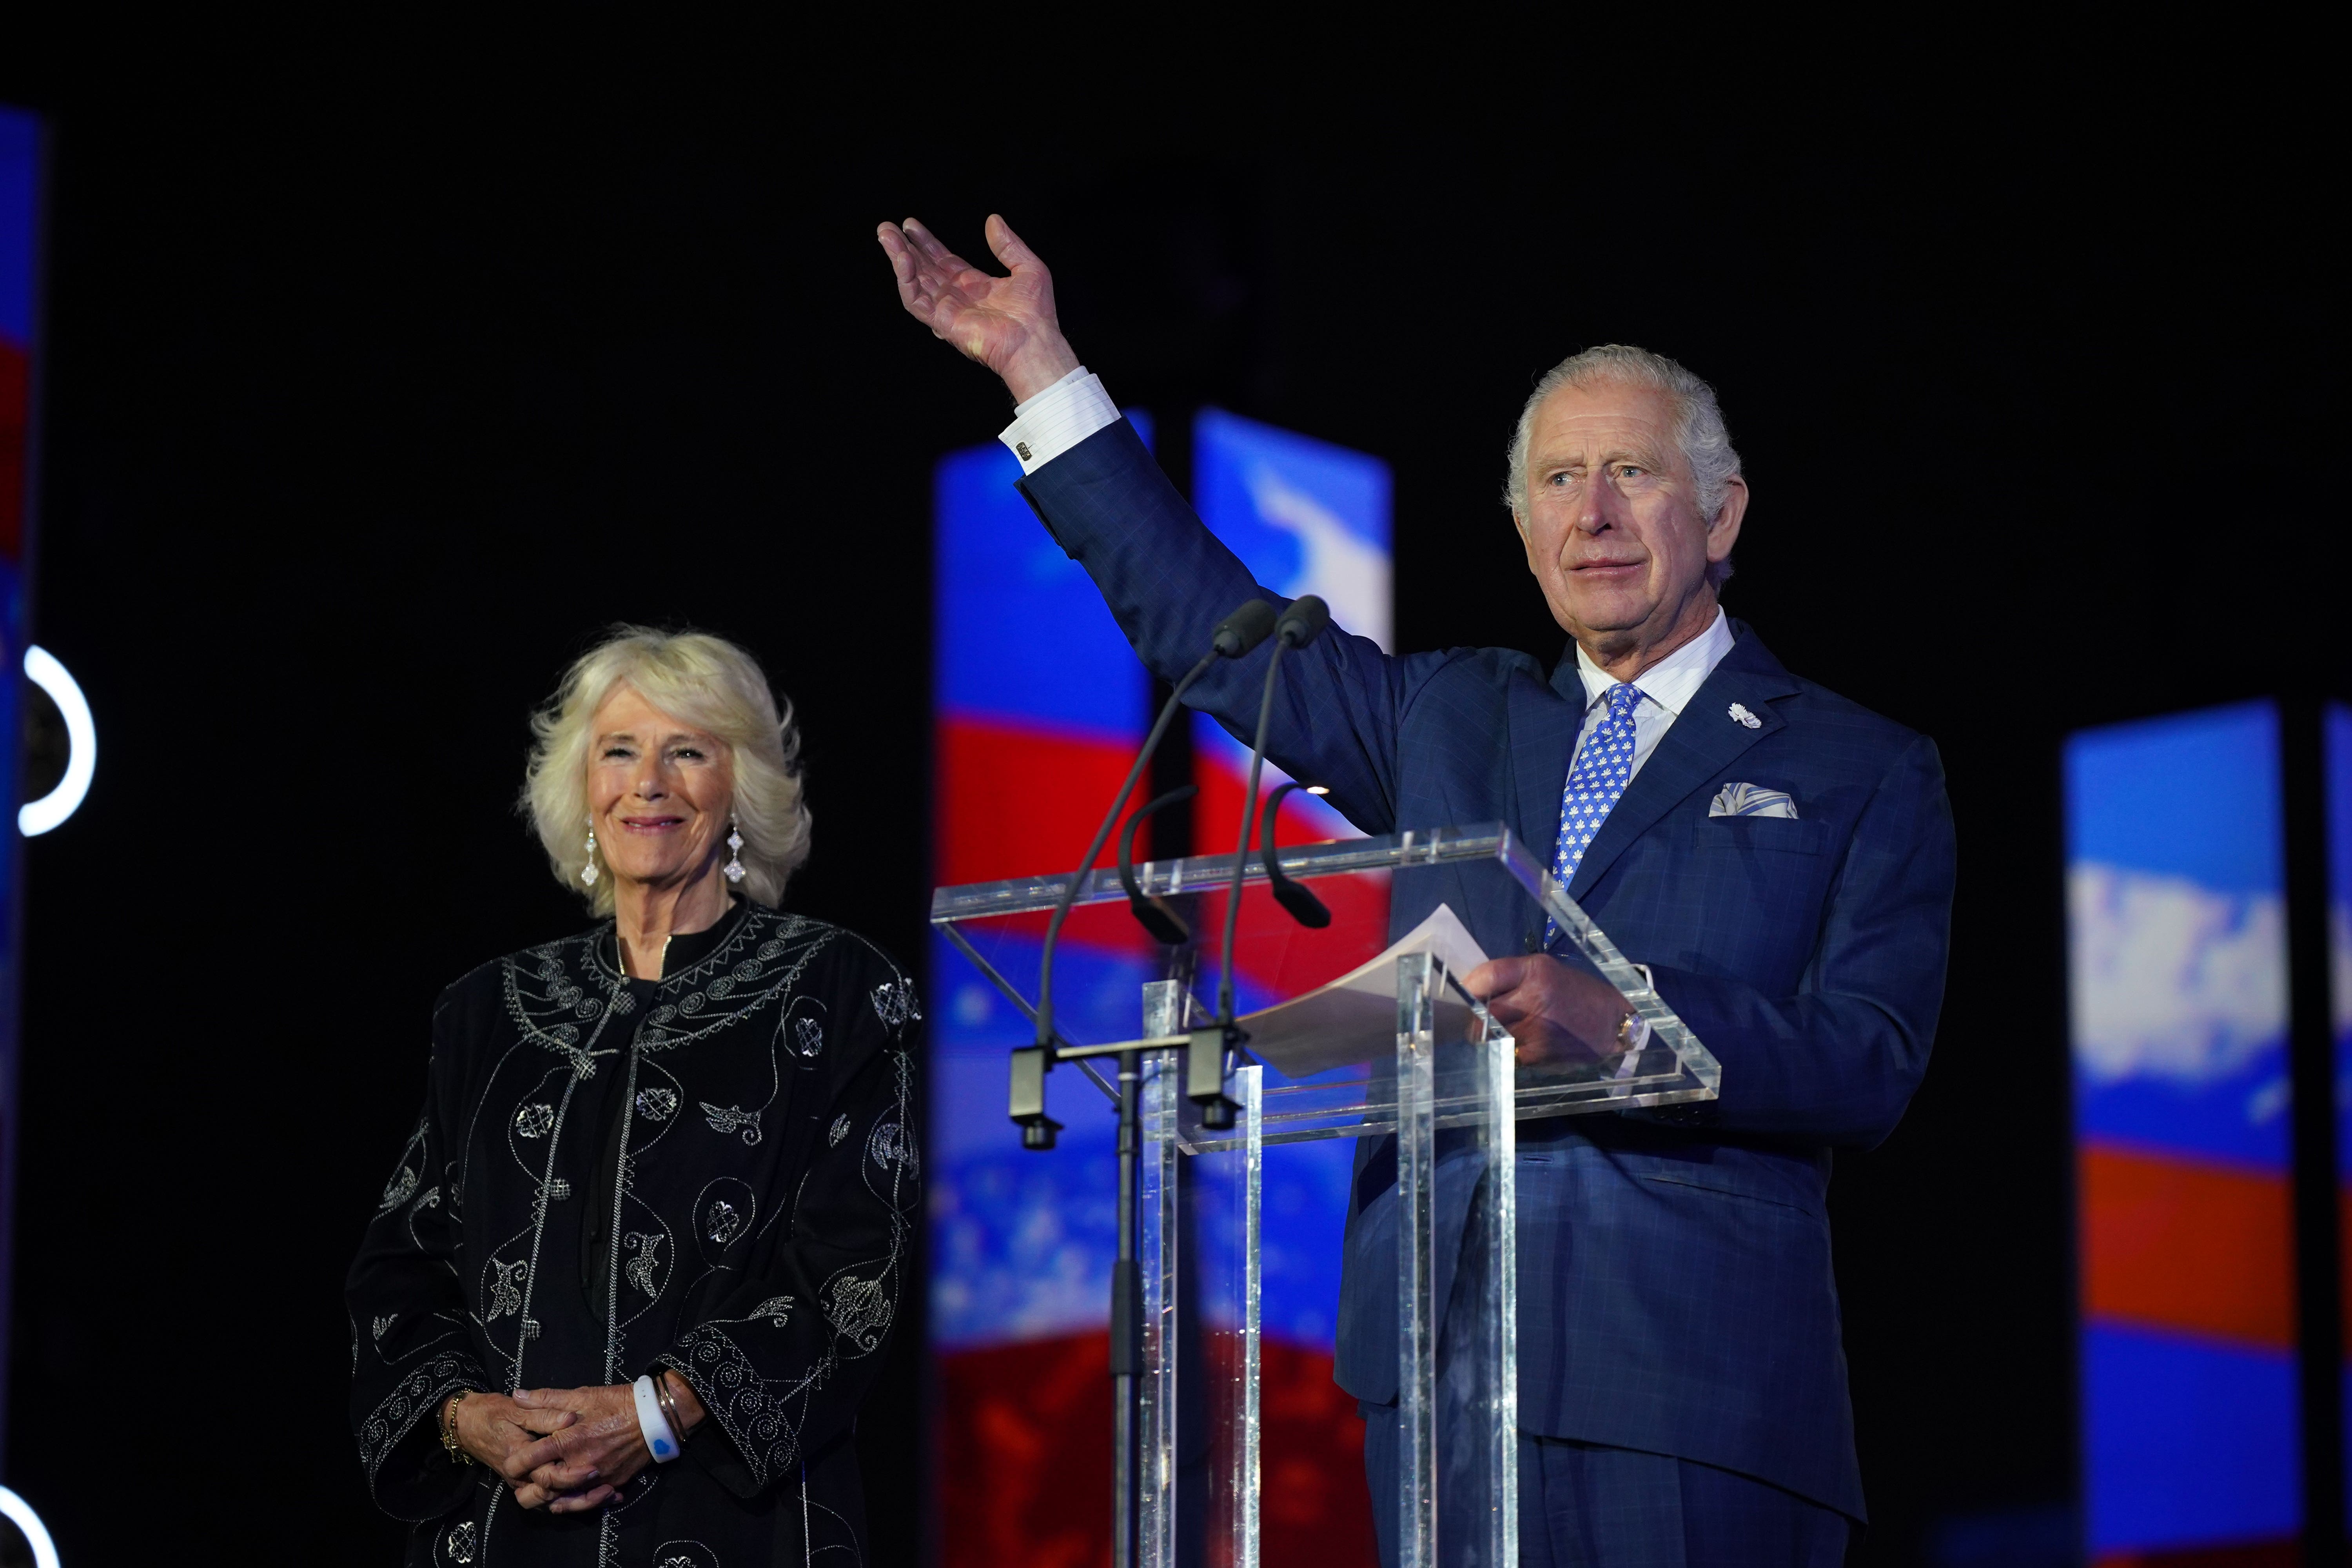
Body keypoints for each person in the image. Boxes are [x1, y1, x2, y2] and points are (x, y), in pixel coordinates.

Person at [879, 216, 1955, 1567]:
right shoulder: (1448, 716)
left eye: (1631, 471)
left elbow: (1873, 1059)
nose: (1595, 511)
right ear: (1520, 527)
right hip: (1443, 1379)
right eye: (1558, 480)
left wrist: (1625, 1023)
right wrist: (1043, 373)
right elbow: (1207, 623)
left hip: (1696, 1387)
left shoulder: (1857, 763)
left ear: (1723, 511)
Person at [347, 628, 923, 1567]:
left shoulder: (841, 988)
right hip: (498, 1527)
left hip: (736, 1524)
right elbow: (399, 1271)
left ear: (740, 789)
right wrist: (465, 1418)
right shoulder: (485, 1012)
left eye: (687, 750)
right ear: (584, 786)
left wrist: (656, 1412)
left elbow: (854, 1270)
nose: (648, 782)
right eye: (620, 750)